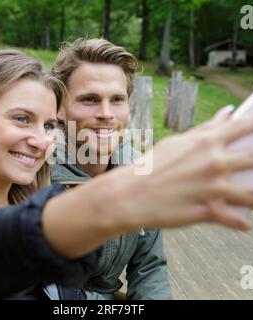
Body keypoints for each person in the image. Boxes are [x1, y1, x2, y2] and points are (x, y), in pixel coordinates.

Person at [0, 49, 253, 300]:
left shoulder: (38, 201)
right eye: (21, 119)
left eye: (49, 125)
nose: (40, 140)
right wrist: (120, 199)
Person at [50, 38, 172, 299]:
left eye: (117, 99)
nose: (106, 113)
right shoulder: (34, 173)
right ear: (60, 107)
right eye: (90, 99)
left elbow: (149, 267)